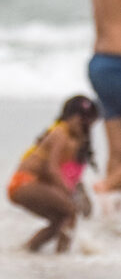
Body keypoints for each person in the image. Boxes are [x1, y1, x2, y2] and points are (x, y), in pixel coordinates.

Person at [7, 95, 100, 253]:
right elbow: (52, 168)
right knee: (70, 212)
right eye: (84, 123)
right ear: (74, 118)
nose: (86, 129)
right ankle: (62, 257)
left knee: (59, 221)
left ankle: (28, 250)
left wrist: (79, 192)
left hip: (29, 184)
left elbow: (67, 174)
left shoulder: (70, 139)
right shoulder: (60, 133)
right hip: (24, 182)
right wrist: (71, 193)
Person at [89, 0, 121, 193]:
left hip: (101, 63)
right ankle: (105, 187)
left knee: (117, 151)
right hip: (119, 62)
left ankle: (109, 226)